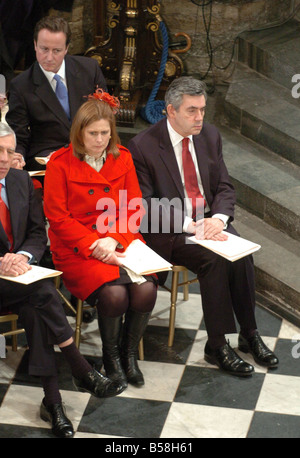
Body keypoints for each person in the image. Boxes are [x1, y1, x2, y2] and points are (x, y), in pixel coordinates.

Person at [128, 76, 279, 377]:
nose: (200, 118)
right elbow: (145, 205)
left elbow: (224, 186)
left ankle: (249, 334)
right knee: (213, 260)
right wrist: (190, 225)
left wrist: (217, 219)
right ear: (170, 111)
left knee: (242, 255)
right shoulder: (142, 146)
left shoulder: (209, 135)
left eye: (203, 110)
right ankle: (217, 344)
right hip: (171, 229)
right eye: (192, 111)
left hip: (208, 220)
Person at [0, 122, 124, 439]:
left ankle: (53, 402)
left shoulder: (19, 180)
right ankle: (79, 367)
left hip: (21, 280)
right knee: (43, 293)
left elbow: (36, 234)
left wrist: (23, 257)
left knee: (37, 310)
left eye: (11, 151)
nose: (5, 158)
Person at [43, 90, 157, 390]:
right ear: (79, 132)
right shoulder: (59, 163)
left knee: (146, 289)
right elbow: (57, 218)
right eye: (92, 133)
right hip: (77, 247)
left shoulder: (124, 158)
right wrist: (96, 243)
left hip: (121, 238)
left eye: (105, 133)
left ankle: (128, 355)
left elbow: (134, 205)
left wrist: (113, 239)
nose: (99, 140)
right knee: (115, 295)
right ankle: (111, 358)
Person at [6, 15, 107, 171]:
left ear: (67, 49)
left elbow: (105, 115)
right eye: (44, 49)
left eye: (57, 51)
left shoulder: (90, 69)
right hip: (47, 157)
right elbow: (18, 136)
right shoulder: (20, 86)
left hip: (91, 147)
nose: (49, 57)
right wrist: (17, 157)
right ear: (34, 45)